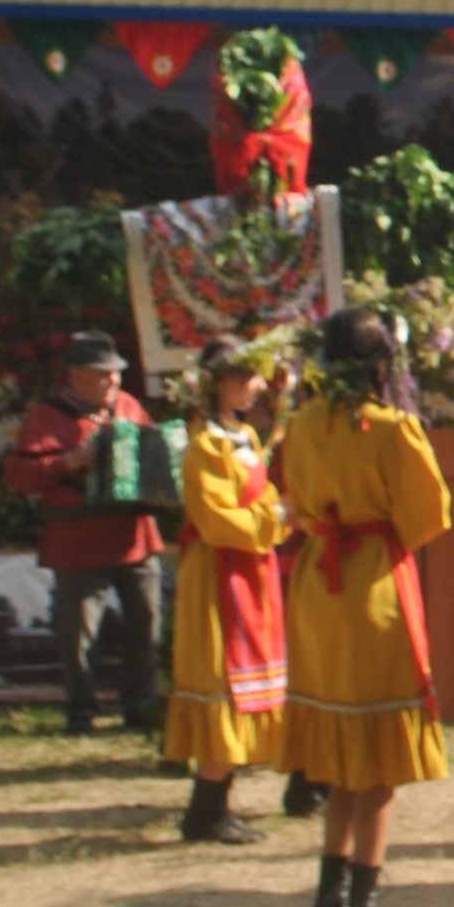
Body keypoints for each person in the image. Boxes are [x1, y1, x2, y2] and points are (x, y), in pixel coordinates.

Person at [279, 307, 452, 907]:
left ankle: (327, 896)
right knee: (378, 758)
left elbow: (295, 505)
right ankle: (363, 903)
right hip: (373, 582)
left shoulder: (299, 424)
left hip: (319, 582)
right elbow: (428, 515)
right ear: (384, 366)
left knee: (339, 747)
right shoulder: (392, 428)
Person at [4, 331, 165, 735]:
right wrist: (70, 461)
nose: (112, 382)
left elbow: (151, 457)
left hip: (134, 536)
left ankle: (140, 707)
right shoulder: (46, 416)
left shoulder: (129, 406)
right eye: (102, 374)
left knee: (146, 623)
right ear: (75, 376)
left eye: (115, 373)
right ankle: (81, 712)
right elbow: (19, 475)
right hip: (77, 538)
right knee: (80, 632)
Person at [164, 337, 290, 844]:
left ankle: (216, 803)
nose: (256, 388)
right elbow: (216, 520)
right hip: (219, 573)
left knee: (243, 682)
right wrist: (276, 517)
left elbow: (264, 494)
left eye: (256, 378)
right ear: (218, 384)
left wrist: (276, 514)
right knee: (223, 681)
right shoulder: (204, 444)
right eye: (245, 379)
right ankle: (205, 810)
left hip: (249, 569)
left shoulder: (242, 437)